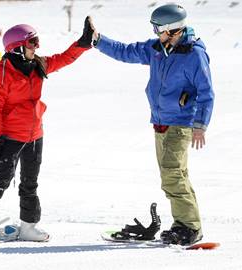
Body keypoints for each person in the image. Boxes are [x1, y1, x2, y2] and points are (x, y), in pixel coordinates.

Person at [0, 17, 95, 243]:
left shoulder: (37, 65)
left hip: (34, 134)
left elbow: (63, 59)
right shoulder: (2, 73)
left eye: (36, 41)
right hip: (11, 137)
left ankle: (29, 226)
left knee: (30, 182)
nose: (37, 46)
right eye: (32, 42)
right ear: (18, 48)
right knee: (1, 181)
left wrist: (82, 43)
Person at [90, 4, 215, 245]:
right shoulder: (157, 49)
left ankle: (189, 227)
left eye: (158, 28)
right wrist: (97, 40)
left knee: (172, 176)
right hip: (160, 123)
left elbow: (206, 92)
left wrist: (200, 124)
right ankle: (186, 224)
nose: (156, 32)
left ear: (171, 29)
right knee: (176, 175)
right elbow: (125, 51)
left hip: (180, 124)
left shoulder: (194, 55)